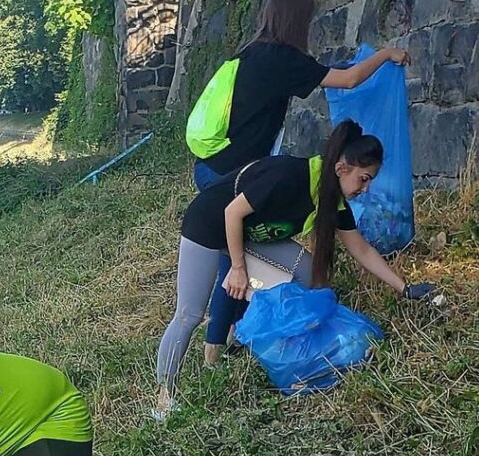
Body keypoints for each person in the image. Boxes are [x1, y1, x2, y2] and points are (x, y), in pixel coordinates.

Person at [189, 0, 412, 364]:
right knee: (234, 258)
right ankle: (216, 349)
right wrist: (387, 54)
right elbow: (349, 79)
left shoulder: (253, 52)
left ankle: (236, 333)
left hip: (211, 162)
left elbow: (359, 248)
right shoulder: (283, 60)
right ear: (297, 22)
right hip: (230, 173)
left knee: (239, 252)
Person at [156, 120, 435, 417]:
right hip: (209, 223)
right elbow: (232, 212)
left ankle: (284, 347)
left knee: (307, 274)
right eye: (363, 179)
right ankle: (164, 395)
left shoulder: (332, 199)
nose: (365, 189)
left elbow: (362, 250)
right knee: (189, 314)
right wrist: (237, 268)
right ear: (342, 169)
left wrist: (404, 288)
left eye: (370, 181)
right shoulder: (290, 176)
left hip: (252, 233)